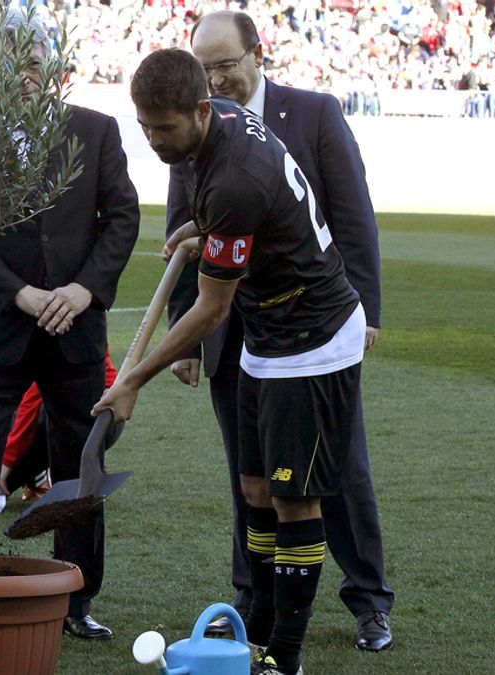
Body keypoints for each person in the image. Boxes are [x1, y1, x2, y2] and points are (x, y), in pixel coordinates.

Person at [102, 47, 369, 675]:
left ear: (199, 111)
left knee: (294, 498)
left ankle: (285, 658)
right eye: (143, 125)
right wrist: (208, 232)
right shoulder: (219, 125)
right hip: (268, 334)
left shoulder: (235, 179)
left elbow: (211, 311)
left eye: (163, 129)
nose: (153, 140)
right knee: (254, 486)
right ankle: (265, 628)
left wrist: (133, 378)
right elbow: (259, 215)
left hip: (313, 339)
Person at [167, 10, 393, 652]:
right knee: (253, 473)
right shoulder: (193, 121)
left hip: (310, 326)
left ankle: (368, 600)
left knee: (338, 468)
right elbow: (187, 228)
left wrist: (367, 309)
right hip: (234, 326)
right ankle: (255, 598)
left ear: (257, 55)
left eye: (225, 65)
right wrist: (191, 342)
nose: (215, 79)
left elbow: (353, 214)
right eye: (204, 68)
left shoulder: (314, 113)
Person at [0, 12, 141, 641]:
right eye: (10, 63)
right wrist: (20, 293)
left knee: (81, 459)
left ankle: (77, 597)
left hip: (76, 327)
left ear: (54, 68)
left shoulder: (96, 130)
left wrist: (82, 290)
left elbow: (122, 217)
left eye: (32, 64)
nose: (22, 77)